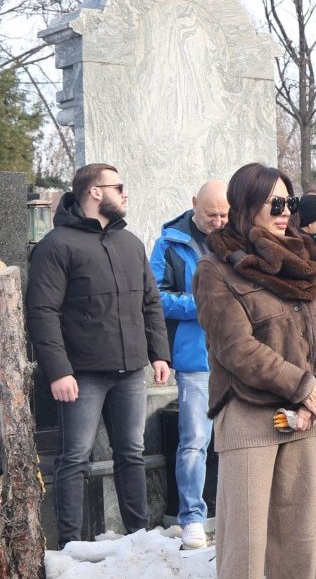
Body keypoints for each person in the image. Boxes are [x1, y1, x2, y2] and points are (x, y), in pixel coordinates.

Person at [194, 163, 316, 577]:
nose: (284, 211)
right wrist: (303, 385)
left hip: (305, 415)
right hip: (249, 414)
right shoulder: (217, 269)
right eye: (274, 202)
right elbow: (235, 348)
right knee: (246, 549)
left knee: (296, 545)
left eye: (289, 202)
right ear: (246, 205)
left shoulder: (302, 260)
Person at [26, 163, 171, 547]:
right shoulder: (56, 246)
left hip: (130, 372)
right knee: (74, 458)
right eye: (118, 187)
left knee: (132, 453)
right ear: (94, 192)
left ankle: (139, 538)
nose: (125, 194)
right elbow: (42, 312)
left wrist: (159, 354)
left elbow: (150, 301)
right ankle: (70, 548)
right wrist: (58, 371)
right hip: (81, 375)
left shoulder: (130, 243)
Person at [150, 179, 228, 549]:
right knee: (195, 439)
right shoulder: (168, 243)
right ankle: (192, 517)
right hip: (195, 356)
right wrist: (202, 307)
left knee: (237, 440)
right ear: (194, 204)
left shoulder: (236, 237)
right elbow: (156, 298)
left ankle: (229, 511)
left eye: (225, 214)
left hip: (236, 355)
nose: (218, 221)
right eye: (212, 213)